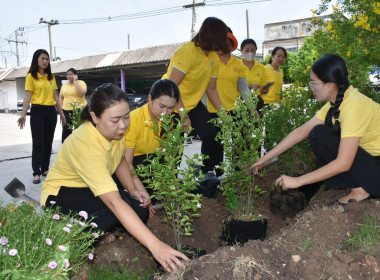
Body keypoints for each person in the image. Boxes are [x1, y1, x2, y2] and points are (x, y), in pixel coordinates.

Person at [41, 83, 189, 272]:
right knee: (116, 209)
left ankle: (97, 230)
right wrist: (157, 247)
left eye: (126, 117)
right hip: (60, 194)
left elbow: (119, 161)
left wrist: (136, 190)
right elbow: (114, 204)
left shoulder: (116, 132)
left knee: (140, 208)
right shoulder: (86, 145)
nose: (123, 125)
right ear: (94, 117)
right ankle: (72, 240)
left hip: (87, 188)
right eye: (115, 120)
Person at [252, 54, 380, 204]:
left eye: (314, 83)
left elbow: (344, 163)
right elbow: (301, 132)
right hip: (371, 163)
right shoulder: (338, 101)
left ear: (330, 85)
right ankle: (358, 187)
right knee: (318, 133)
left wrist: (298, 181)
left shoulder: (354, 105)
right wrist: (264, 160)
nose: (311, 88)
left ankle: (361, 192)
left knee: (320, 134)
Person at [164, 16, 231, 178]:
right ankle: (167, 186)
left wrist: (223, 114)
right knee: (174, 147)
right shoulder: (187, 52)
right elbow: (172, 86)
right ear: (212, 37)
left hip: (192, 105)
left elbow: (212, 88)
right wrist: (182, 114)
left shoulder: (213, 57)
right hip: (170, 102)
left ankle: (208, 175)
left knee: (211, 136)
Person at [123, 79, 179, 201]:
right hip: (131, 167)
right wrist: (141, 192)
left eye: (170, 108)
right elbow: (127, 162)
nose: (165, 113)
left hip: (151, 164)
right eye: (161, 106)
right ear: (150, 99)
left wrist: (173, 184)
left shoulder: (170, 120)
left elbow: (167, 155)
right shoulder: (134, 120)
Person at [17, 49, 66, 184]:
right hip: (37, 111)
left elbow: (55, 96)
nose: (45, 61)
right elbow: (28, 97)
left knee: (48, 142)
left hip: (51, 112)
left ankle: (45, 169)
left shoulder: (51, 77)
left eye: (47, 59)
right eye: (42, 58)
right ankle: (36, 172)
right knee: (38, 143)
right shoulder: (31, 76)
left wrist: (61, 113)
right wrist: (23, 115)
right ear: (36, 60)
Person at [240, 39, 271, 111]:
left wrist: (263, 89)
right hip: (240, 102)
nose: (250, 53)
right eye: (247, 50)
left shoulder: (261, 67)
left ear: (256, 51)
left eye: (252, 50)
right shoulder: (236, 66)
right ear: (241, 51)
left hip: (257, 101)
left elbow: (265, 90)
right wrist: (248, 86)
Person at [59, 68, 87, 143]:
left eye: (71, 74)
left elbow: (81, 94)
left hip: (79, 110)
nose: (69, 76)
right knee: (66, 129)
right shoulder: (64, 85)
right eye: (68, 74)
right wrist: (61, 107)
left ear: (75, 75)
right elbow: (61, 97)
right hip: (66, 110)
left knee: (79, 129)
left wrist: (75, 82)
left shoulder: (81, 83)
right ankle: (65, 147)